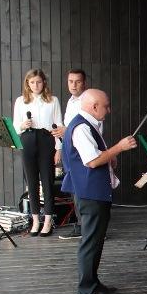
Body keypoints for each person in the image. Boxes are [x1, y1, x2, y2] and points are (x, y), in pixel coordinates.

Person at [61, 89, 137, 294]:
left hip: (92, 191)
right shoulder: (82, 127)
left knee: (96, 240)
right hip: (89, 193)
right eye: (106, 106)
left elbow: (95, 156)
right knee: (90, 241)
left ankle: (93, 283)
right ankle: (86, 292)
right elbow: (93, 161)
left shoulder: (87, 124)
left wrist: (109, 157)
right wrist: (119, 148)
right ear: (94, 107)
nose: (109, 110)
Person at [13, 69, 63, 237]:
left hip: (46, 139)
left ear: (44, 83)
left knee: (47, 181)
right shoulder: (21, 101)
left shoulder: (53, 100)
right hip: (27, 139)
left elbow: (58, 125)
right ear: (27, 84)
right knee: (31, 182)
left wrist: (59, 148)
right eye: (32, 82)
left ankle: (47, 221)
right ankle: (35, 220)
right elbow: (15, 126)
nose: (36, 85)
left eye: (39, 82)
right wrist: (23, 125)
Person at [56, 69, 88, 239]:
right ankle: (82, 225)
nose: (73, 85)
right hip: (71, 150)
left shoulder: (88, 100)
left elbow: (90, 127)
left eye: (78, 81)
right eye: (70, 81)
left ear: (84, 83)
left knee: (83, 189)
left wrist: (66, 130)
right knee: (75, 189)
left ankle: (87, 228)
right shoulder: (71, 101)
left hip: (83, 152)